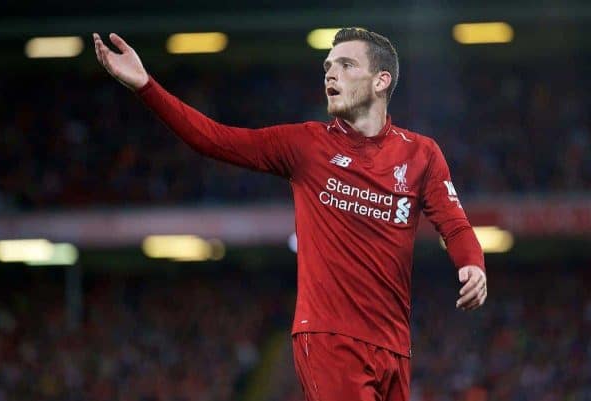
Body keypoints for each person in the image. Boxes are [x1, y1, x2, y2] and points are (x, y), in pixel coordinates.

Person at [93, 28, 487, 401]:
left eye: (346, 65)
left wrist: (472, 264)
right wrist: (146, 85)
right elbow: (213, 139)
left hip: (395, 346)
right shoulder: (306, 145)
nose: (331, 73)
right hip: (330, 338)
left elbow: (454, 224)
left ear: (381, 81)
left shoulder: (421, 154)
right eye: (327, 67)